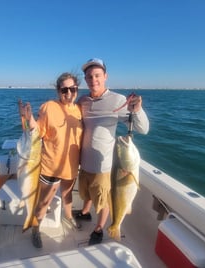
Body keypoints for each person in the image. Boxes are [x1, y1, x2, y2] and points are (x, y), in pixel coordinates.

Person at [75, 58, 149, 245]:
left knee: (102, 199)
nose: (94, 80)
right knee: (87, 193)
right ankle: (84, 213)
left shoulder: (118, 100)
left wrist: (137, 110)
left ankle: (99, 228)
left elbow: (143, 129)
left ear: (105, 76)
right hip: (84, 161)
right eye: (89, 76)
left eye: (98, 75)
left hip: (104, 164)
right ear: (85, 79)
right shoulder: (82, 100)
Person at [20, 72, 83, 248]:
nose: (69, 93)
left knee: (67, 196)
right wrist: (28, 118)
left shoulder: (79, 109)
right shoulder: (48, 107)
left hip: (71, 165)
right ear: (58, 91)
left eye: (72, 89)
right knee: (43, 202)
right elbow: (37, 131)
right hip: (50, 166)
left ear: (77, 89)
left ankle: (69, 217)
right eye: (64, 90)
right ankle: (35, 228)